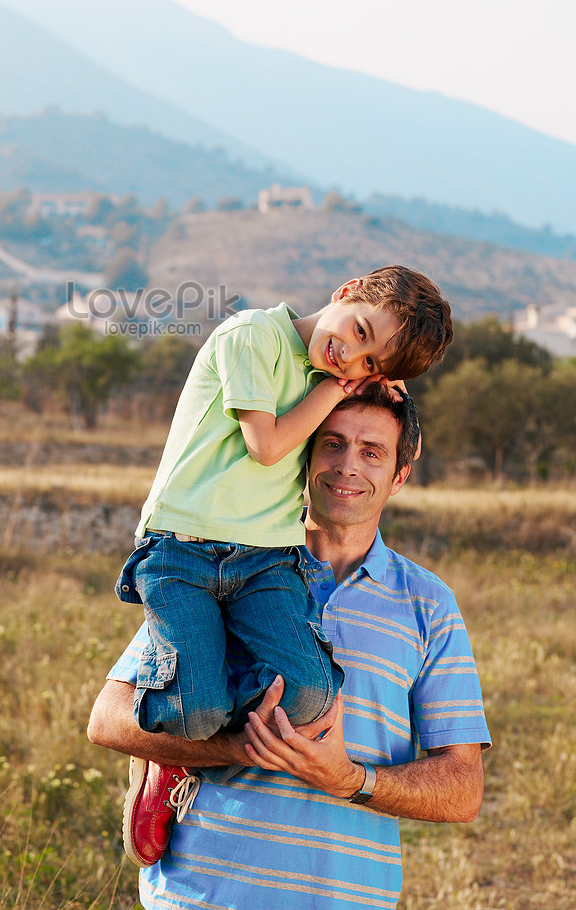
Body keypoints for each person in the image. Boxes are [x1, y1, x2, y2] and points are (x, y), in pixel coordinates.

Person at [90, 385, 490, 909]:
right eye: (331, 444)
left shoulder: (429, 605)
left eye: (372, 452)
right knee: (189, 697)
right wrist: (229, 750)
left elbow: (463, 789)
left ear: (399, 475)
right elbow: (109, 720)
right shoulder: (227, 561)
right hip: (197, 897)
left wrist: (349, 779)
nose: (348, 465)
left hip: (344, 900)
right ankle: (169, 765)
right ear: (303, 454)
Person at [114, 267, 453, 855]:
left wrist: (365, 383)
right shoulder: (253, 335)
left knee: (311, 696)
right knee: (194, 718)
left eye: (371, 364)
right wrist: (339, 388)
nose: (351, 359)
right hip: (185, 550)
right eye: (359, 332)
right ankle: (169, 752)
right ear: (345, 291)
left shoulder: (322, 374)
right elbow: (267, 446)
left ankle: (200, 709)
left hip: (264, 560)